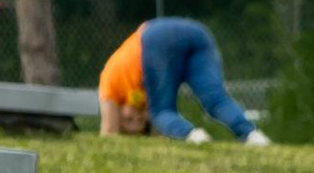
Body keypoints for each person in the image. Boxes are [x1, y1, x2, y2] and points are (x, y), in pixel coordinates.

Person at [97, 17, 270, 145]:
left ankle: (193, 137)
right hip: (196, 32)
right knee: (215, 99)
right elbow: (160, 134)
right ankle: (253, 136)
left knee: (161, 111)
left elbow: (109, 133)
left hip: (154, 37)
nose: (137, 117)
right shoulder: (142, 93)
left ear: (118, 112)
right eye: (140, 122)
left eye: (127, 120)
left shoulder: (109, 84)